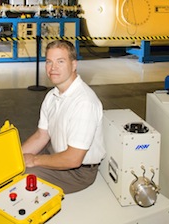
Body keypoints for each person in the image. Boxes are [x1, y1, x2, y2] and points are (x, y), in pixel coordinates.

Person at [22, 40, 106, 194]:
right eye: (49, 62)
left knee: (23, 178)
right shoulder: (52, 95)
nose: (53, 68)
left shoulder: (84, 102)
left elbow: (73, 159)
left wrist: (33, 160)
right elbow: (41, 135)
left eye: (60, 61)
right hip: (55, 154)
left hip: (77, 172)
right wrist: (14, 157)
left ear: (74, 65)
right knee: (11, 167)